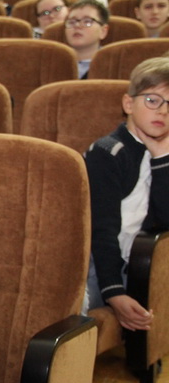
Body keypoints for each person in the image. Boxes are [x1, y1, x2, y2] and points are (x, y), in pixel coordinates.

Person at [84, 57, 169, 330]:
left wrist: (161, 160)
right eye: (152, 100)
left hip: (138, 263)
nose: (163, 111)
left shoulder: (164, 155)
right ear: (128, 104)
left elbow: (164, 223)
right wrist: (114, 292)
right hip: (96, 261)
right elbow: (101, 229)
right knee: (78, 304)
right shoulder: (108, 153)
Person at [64, 0, 109, 79]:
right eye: (72, 22)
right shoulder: (54, 63)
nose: (77, 25)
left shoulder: (113, 65)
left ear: (103, 31)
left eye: (87, 21)